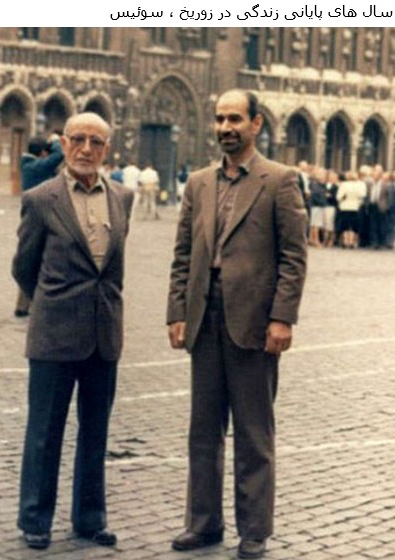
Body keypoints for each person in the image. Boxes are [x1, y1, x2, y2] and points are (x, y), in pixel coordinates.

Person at [166, 89, 307, 560]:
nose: (225, 128)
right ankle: (203, 524)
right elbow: (183, 254)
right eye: (220, 119)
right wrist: (177, 311)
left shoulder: (279, 180)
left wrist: (282, 318)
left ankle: (254, 530)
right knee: (203, 431)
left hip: (253, 323)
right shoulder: (200, 183)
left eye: (235, 119)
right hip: (204, 318)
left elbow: (293, 257)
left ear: (256, 124)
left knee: (253, 434)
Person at [12, 112, 134, 551]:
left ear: (106, 149)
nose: (86, 149)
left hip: (104, 333)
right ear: (63, 144)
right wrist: (54, 303)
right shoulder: (41, 199)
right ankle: (35, 519)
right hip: (55, 333)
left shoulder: (123, 197)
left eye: (96, 142)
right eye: (78, 139)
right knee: (44, 432)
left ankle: (90, 518)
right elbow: (24, 268)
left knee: (95, 431)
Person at [14, 133, 64, 318]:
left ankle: (23, 305)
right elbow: (59, 155)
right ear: (43, 152)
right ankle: (34, 303)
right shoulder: (35, 167)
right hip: (41, 219)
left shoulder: (29, 165)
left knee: (30, 259)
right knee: (39, 260)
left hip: (34, 217)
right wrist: (56, 141)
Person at [336, 171, 367, 248]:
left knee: (349, 225)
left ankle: (349, 241)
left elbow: (338, 197)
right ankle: (348, 242)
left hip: (351, 207)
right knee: (349, 225)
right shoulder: (346, 184)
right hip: (349, 206)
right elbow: (339, 196)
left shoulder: (358, 184)